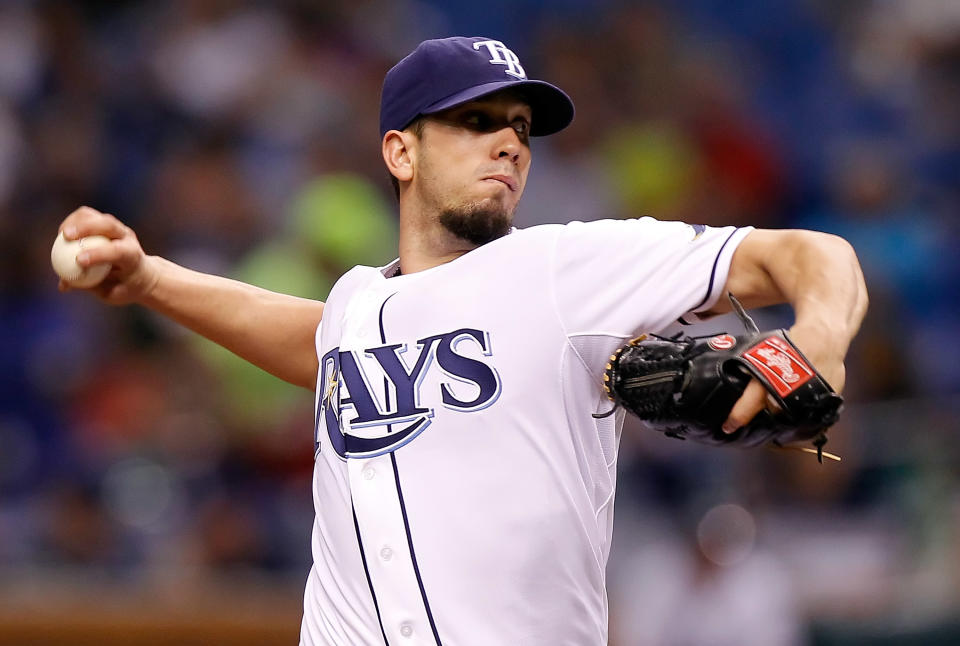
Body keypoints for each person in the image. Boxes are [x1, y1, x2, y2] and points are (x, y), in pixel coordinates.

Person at [57, 36, 868, 646]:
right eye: (475, 121)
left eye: (519, 127)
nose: (510, 142)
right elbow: (321, 344)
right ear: (399, 151)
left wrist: (820, 340)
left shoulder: (567, 268)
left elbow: (812, 255)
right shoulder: (358, 302)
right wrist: (148, 279)